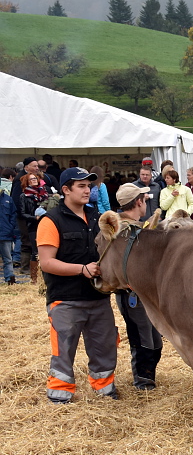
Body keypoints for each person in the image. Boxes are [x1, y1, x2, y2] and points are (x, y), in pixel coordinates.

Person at [36, 167, 118, 403]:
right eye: (81, 186)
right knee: (63, 350)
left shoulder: (96, 217)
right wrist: (81, 270)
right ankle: (60, 396)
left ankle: (105, 390)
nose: (88, 190)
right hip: (66, 299)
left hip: (98, 297)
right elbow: (47, 263)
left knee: (104, 347)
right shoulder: (50, 220)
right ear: (65, 190)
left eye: (89, 186)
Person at [113, 183, 164, 391]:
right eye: (145, 200)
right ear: (138, 202)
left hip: (147, 292)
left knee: (154, 337)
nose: (146, 203)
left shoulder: (135, 227)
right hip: (131, 292)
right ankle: (143, 381)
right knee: (142, 335)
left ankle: (149, 377)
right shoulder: (121, 231)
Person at [0, 168, 19, 284]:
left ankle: (10, 278)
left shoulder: (8, 199)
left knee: (8, 259)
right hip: (6, 232)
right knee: (7, 258)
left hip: (6, 233)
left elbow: (13, 214)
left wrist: (10, 227)